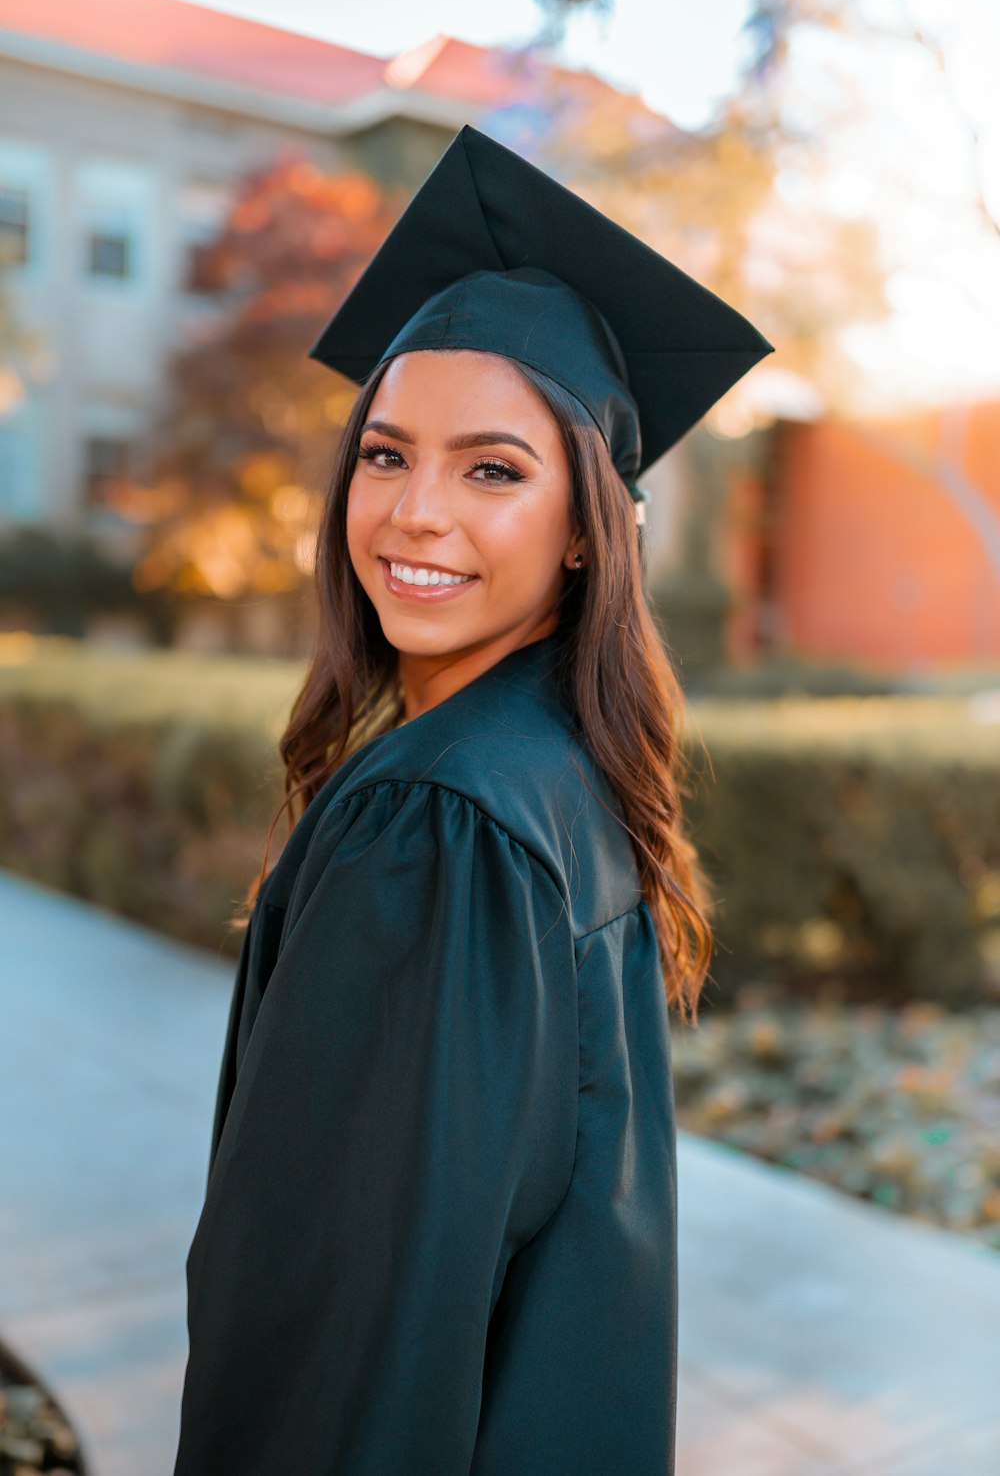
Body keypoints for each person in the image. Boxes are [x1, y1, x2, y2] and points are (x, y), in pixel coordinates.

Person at [171, 124, 772, 1476]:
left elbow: (351, 1332)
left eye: (491, 469)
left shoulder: (436, 825)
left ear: (582, 528)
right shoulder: (561, 770)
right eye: (385, 456)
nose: (413, 514)